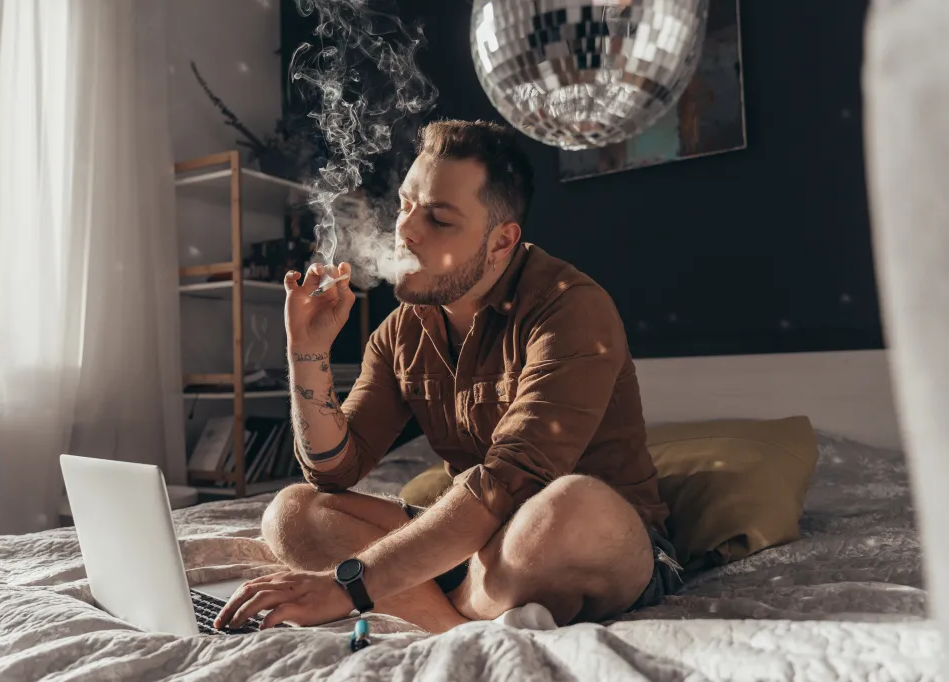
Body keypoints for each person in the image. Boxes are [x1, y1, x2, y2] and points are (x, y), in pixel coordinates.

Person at [214, 120, 680, 634]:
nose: (406, 231)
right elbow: (333, 472)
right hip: (474, 540)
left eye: (438, 218)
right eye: (406, 205)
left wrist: (346, 585)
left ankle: (431, 607)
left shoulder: (570, 308)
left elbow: (509, 482)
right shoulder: (400, 333)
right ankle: (456, 626)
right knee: (292, 512)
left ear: (501, 242)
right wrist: (306, 351)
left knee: (569, 508)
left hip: (578, 539)